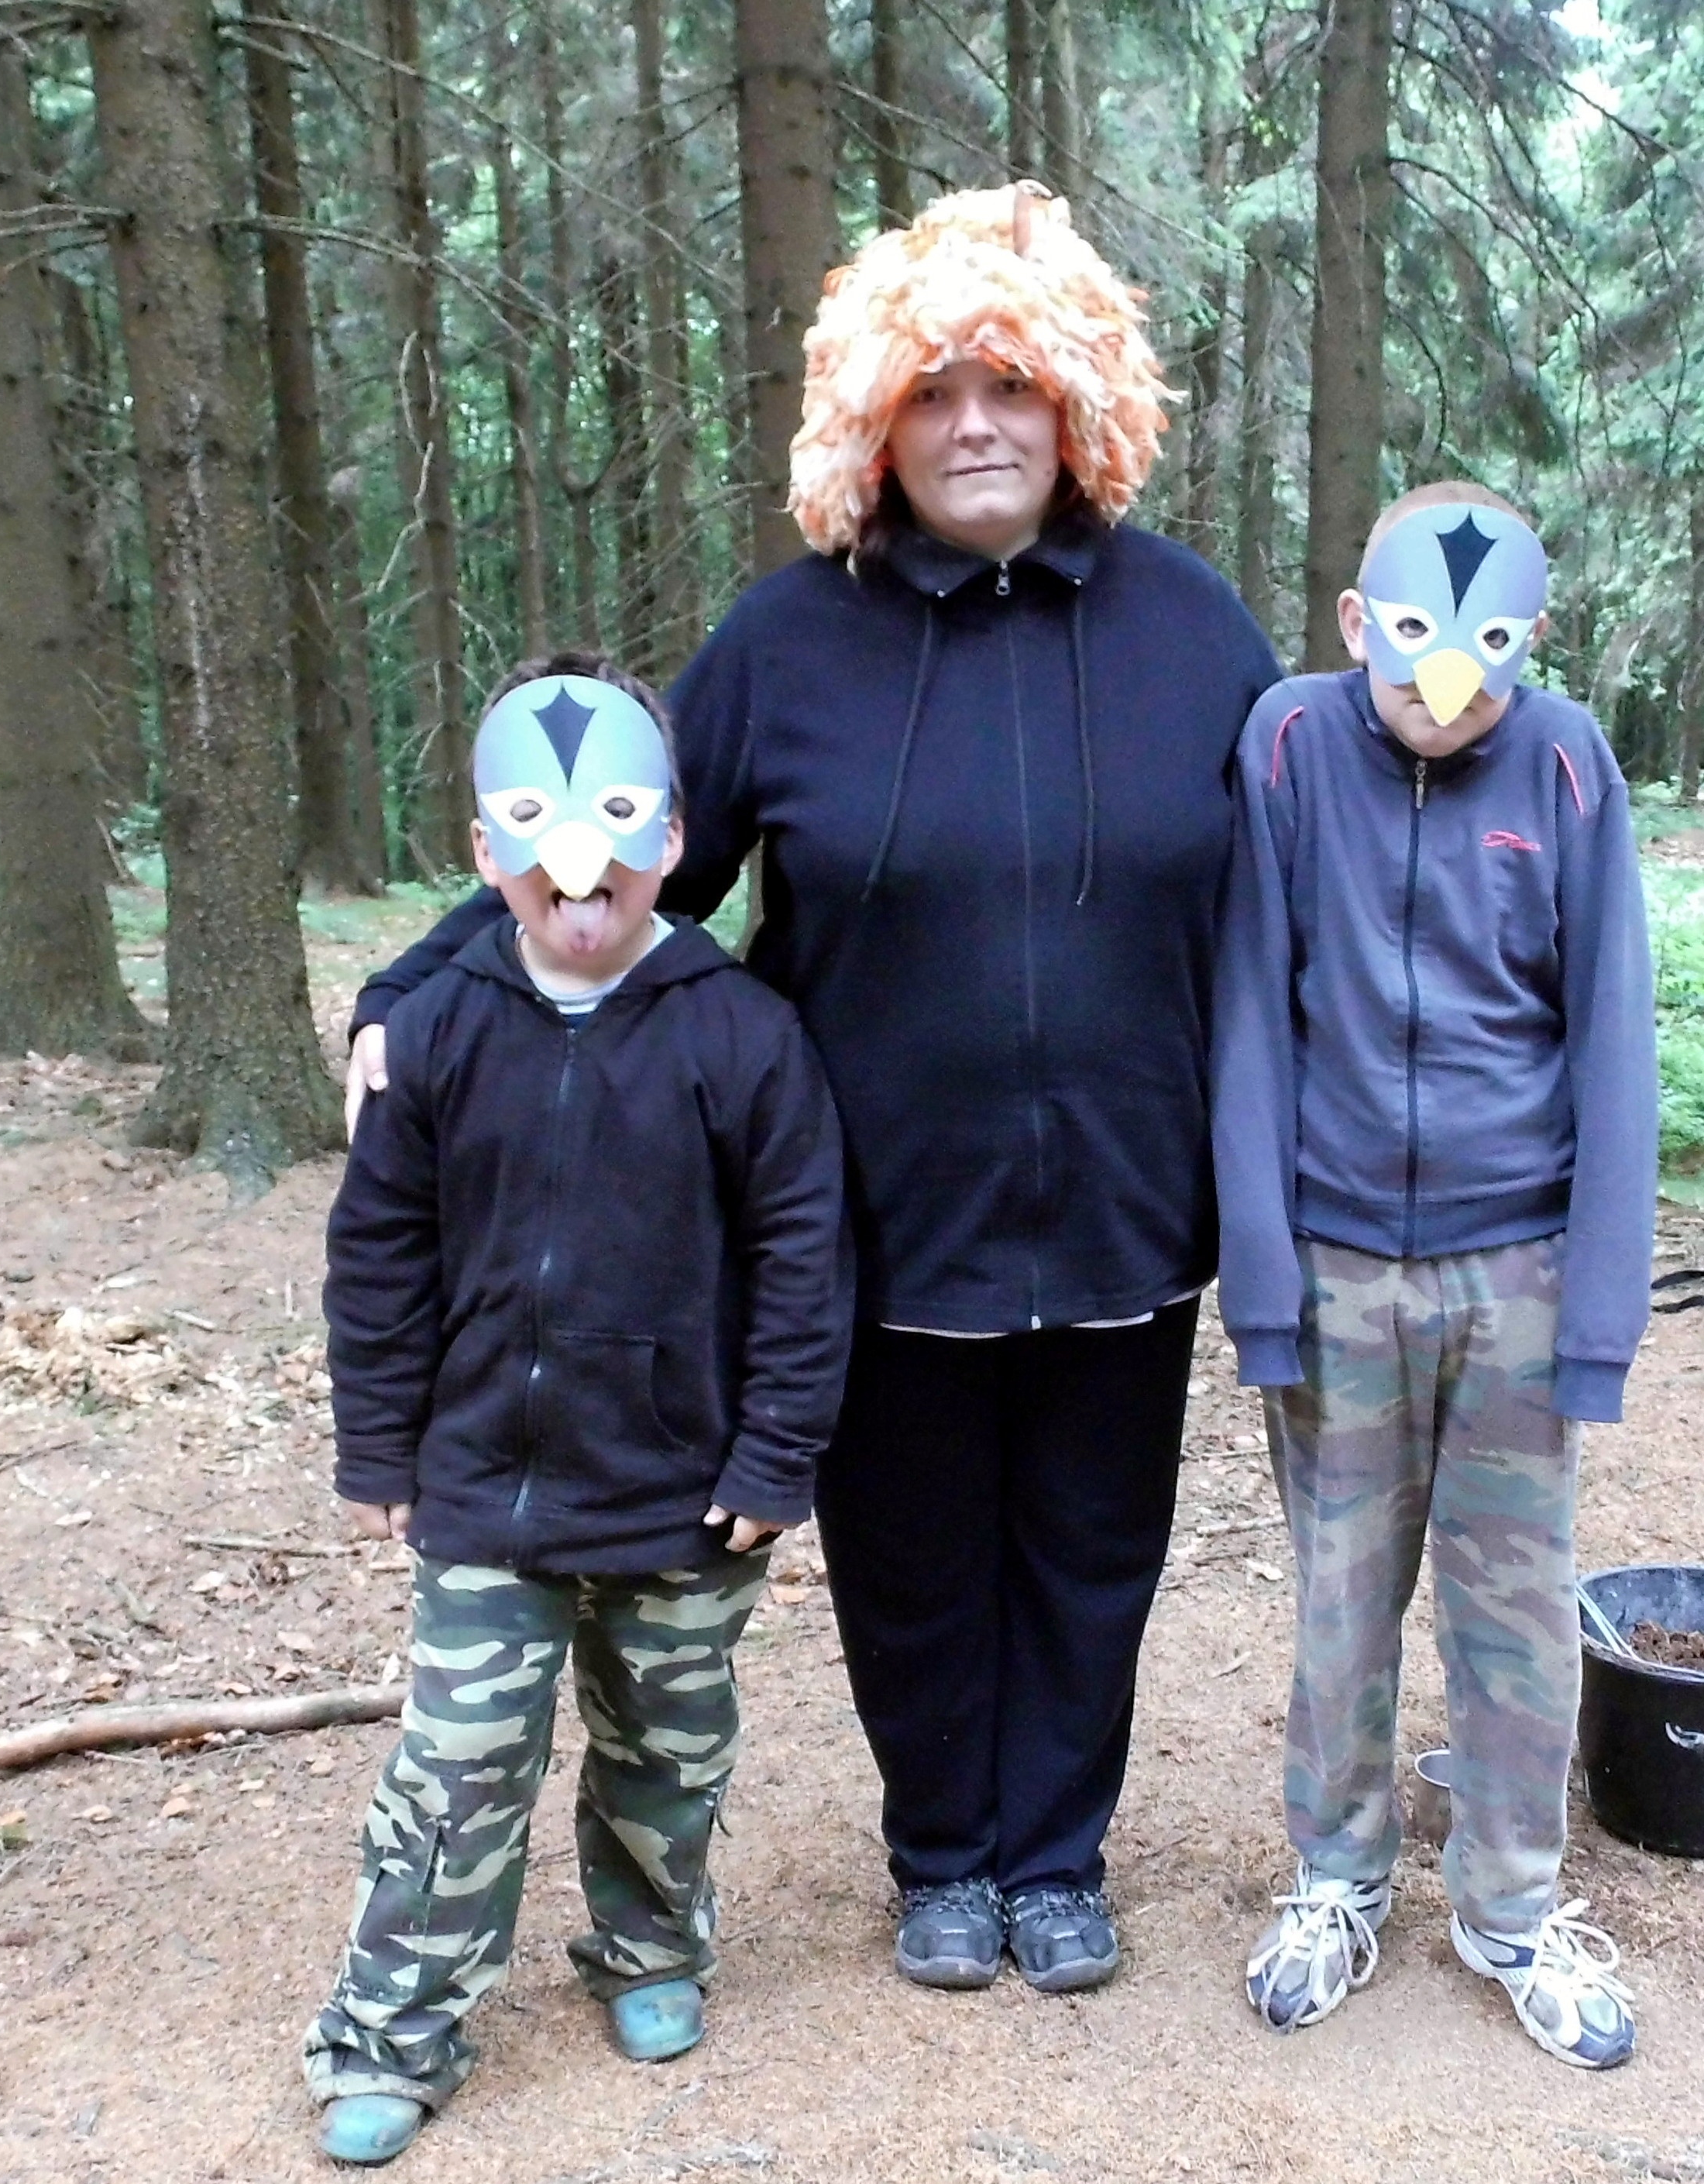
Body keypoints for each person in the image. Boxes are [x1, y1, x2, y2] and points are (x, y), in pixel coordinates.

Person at [342, 186, 1284, 1996]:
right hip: (872, 1216)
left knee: (1092, 1551)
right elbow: (608, 859)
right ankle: (941, 1854)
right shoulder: (789, 642)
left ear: (1077, 401)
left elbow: (1304, 883)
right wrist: (415, 987)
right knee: (912, 1561)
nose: (975, 426)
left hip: (1127, 1205)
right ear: (872, 421)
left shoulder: (1190, 628)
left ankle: (1053, 1856)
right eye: (931, 394)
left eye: (1010, 386)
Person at [303, 656, 852, 2165]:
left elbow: (806, 1261)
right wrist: (378, 1442)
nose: (577, 869)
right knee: (459, 1765)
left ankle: (649, 1947)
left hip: (682, 1492)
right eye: (536, 833)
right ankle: (392, 2030)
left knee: (666, 1750)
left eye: (614, 825)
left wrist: (776, 1452)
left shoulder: (741, 1034)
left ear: (668, 835)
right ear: (486, 850)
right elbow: (377, 1254)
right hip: (487, 1487)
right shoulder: (436, 1032)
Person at [1209, 484, 1658, 2069]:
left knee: (1515, 1607)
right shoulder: (1285, 743)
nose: (1446, 677)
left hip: (1516, 1265)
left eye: (1488, 642)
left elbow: (1611, 1032)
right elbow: (1250, 1010)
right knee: (1340, 1597)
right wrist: (1260, 1280)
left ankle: (1511, 1903)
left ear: (1532, 638)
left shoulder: (1565, 762)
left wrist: (1599, 1313)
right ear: (1355, 622)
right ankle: (1336, 1876)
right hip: (1336, 1261)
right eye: (1411, 634)